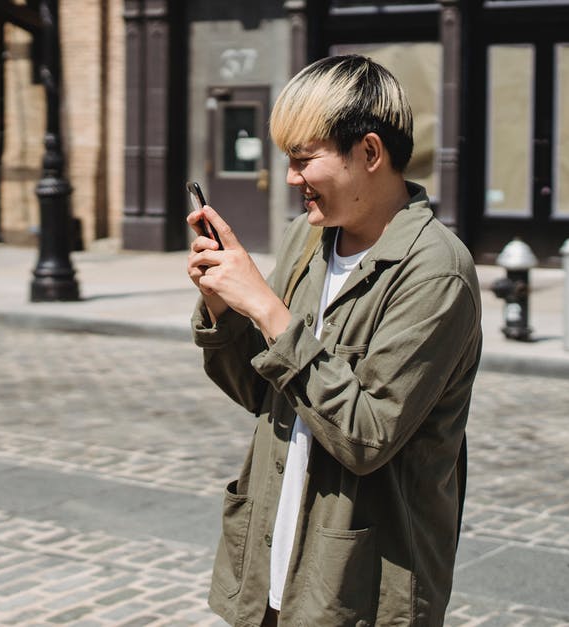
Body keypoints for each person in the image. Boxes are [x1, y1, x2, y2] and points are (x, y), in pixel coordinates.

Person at [185, 55, 481, 626]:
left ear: (369, 153)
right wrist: (225, 305)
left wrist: (268, 311)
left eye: (304, 160)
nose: (292, 179)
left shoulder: (435, 271)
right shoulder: (307, 237)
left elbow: (366, 438)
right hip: (271, 566)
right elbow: (262, 394)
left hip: (360, 590)